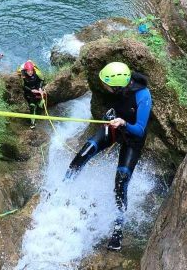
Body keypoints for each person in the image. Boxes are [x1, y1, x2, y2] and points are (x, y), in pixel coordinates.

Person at [65, 62, 152, 251]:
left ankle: (118, 229)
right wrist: (112, 116)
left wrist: (122, 123)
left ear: (118, 84)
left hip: (132, 137)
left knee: (121, 182)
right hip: (114, 128)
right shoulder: (119, 88)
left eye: (108, 84)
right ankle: (63, 189)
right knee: (84, 153)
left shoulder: (143, 95)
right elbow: (117, 105)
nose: (105, 87)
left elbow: (139, 129)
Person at [19, 60, 45, 129]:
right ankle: (32, 122)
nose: (30, 72)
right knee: (32, 106)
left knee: (41, 102)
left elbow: (41, 81)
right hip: (29, 92)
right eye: (28, 71)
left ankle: (39, 106)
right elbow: (23, 86)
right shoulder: (23, 76)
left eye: (31, 71)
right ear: (25, 71)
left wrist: (39, 88)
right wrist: (31, 90)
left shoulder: (36, 73)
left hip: (37, 89)